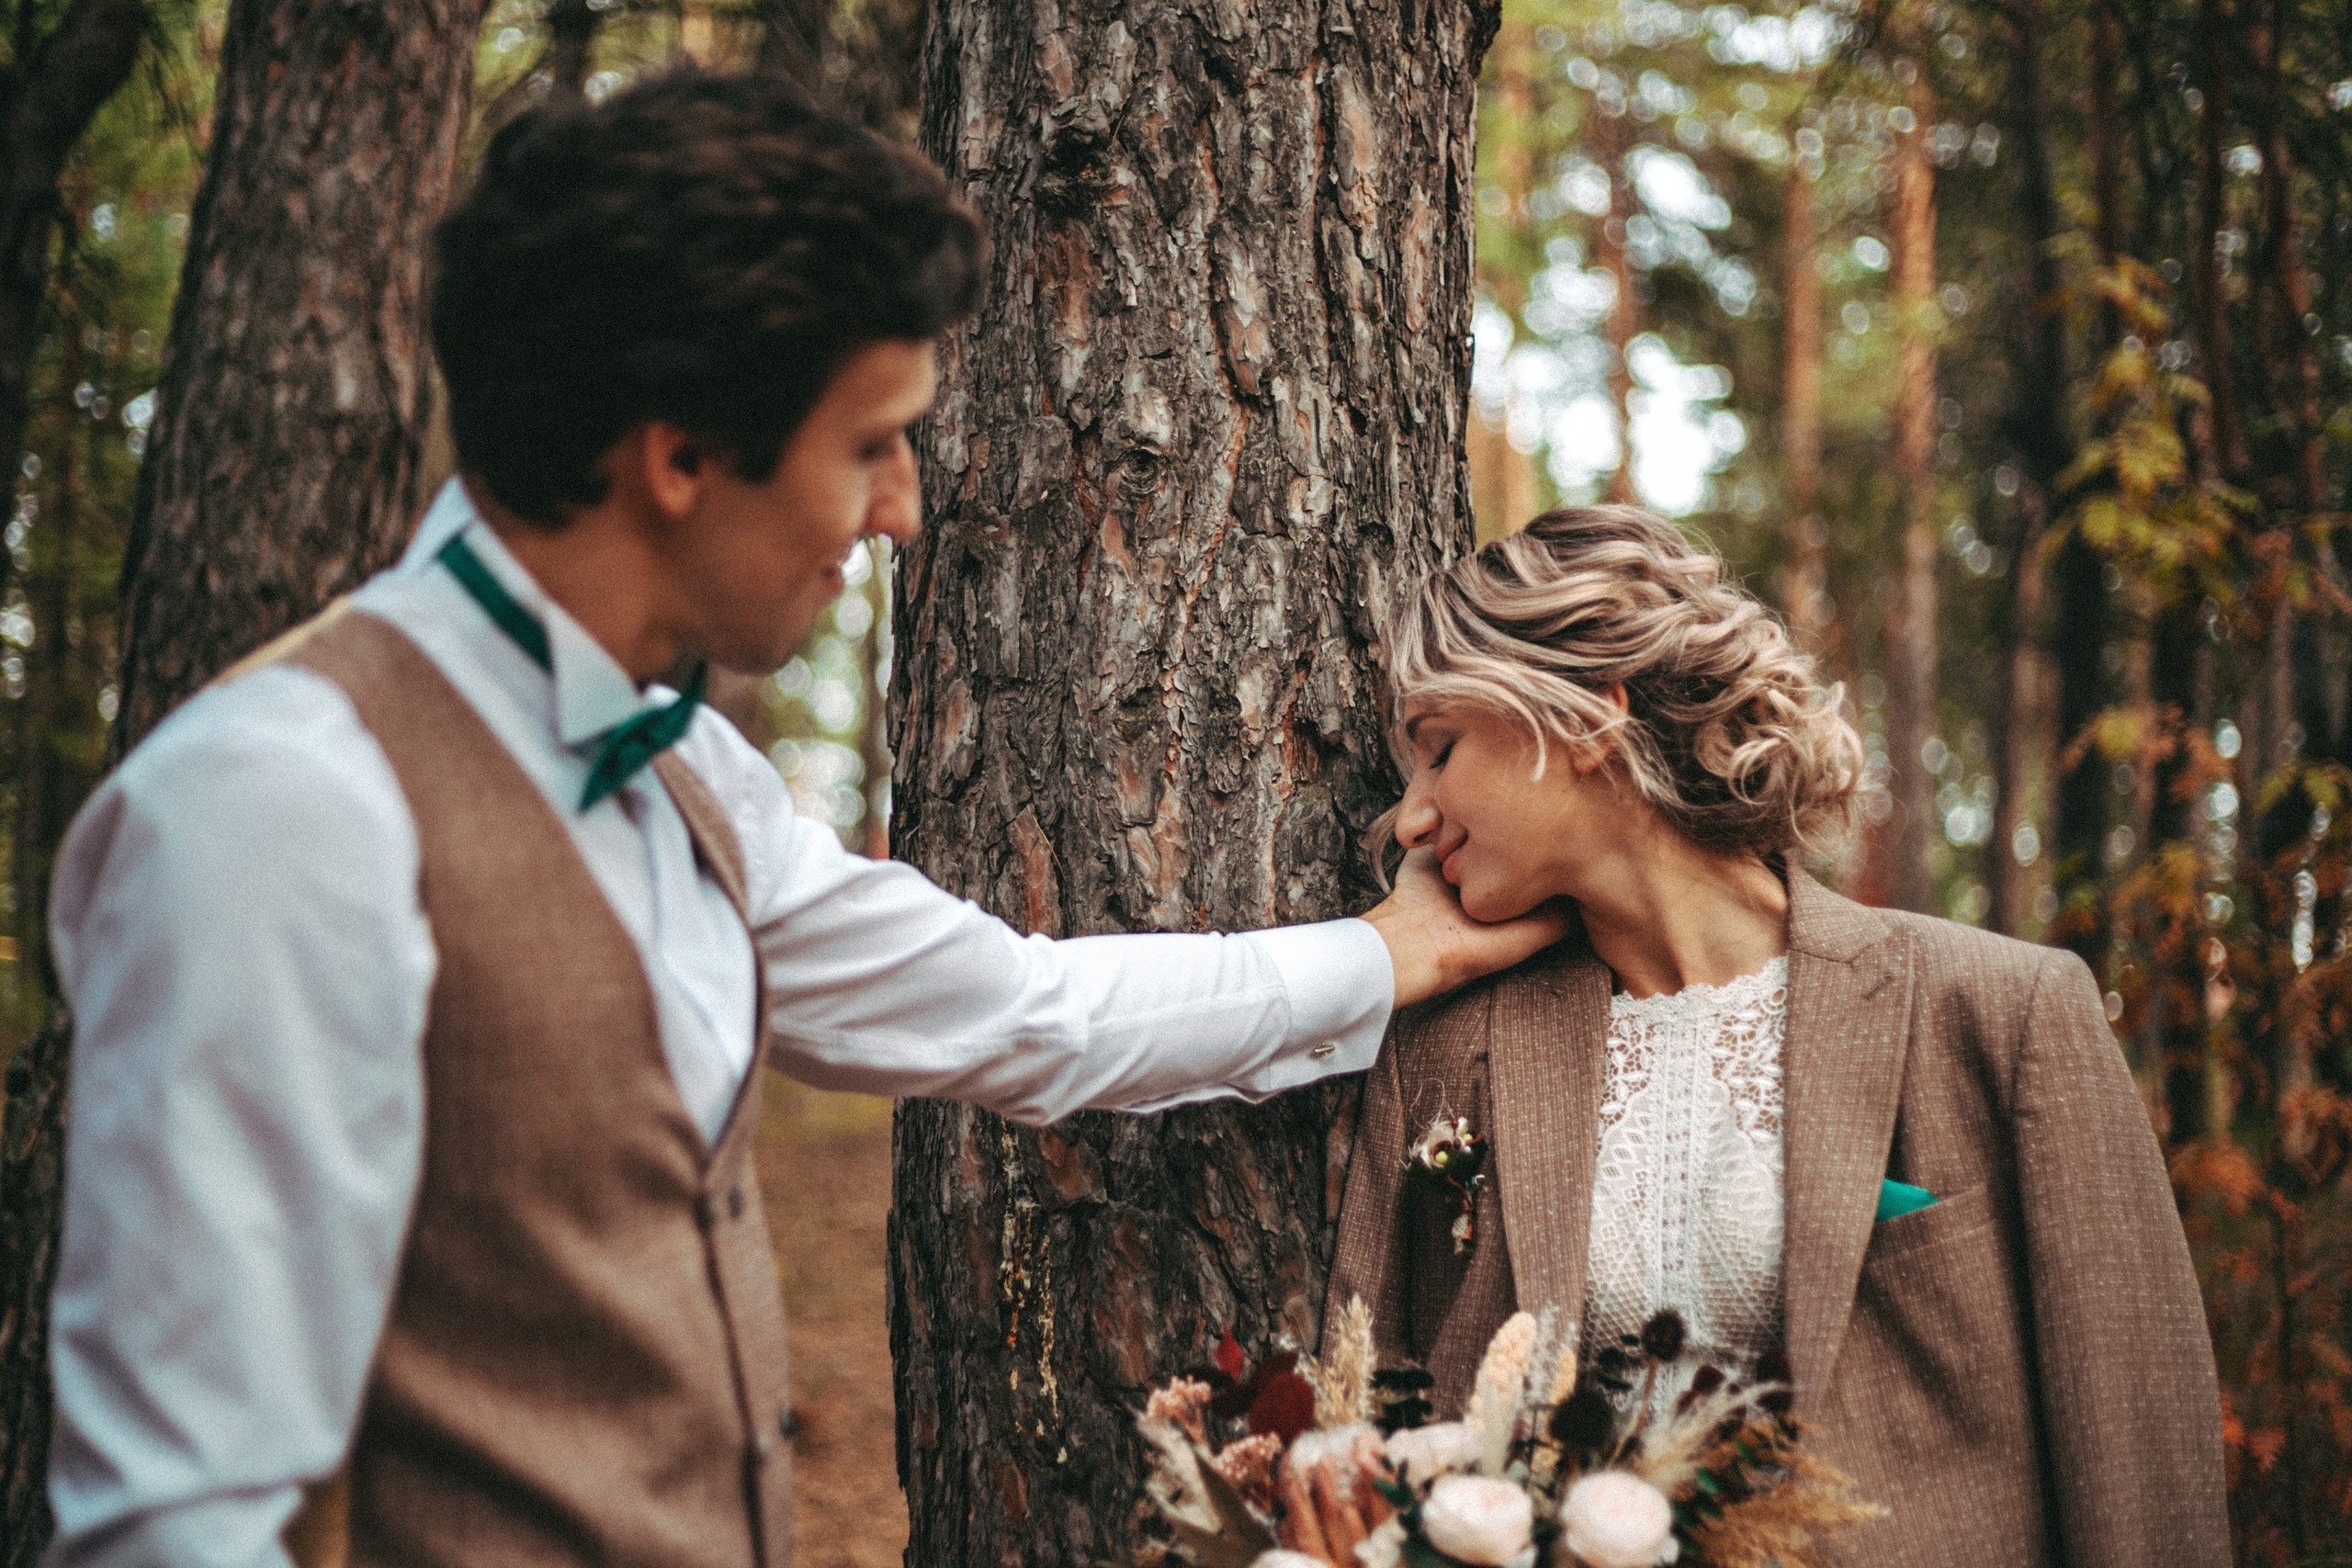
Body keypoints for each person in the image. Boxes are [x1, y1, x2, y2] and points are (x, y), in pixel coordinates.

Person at [41, 73, 1566, 1568]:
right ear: (681, 456)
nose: (901, 508)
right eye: (868, 444)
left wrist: (1394, 954)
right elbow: (180, 1520)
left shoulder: (692, 778)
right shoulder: (280, 808)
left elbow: (1027, 1010)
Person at [1321, 506, 2231, 1566]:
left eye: (1439, 751)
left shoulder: (2000, 1013)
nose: (1409, 819)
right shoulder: (1436, 1057)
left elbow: (2142, 1473)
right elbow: (1359, 1433)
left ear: (1586, 715)